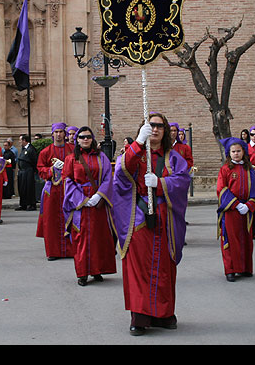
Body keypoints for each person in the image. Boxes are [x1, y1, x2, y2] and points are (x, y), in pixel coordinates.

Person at [111, 113, 190, 336]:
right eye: (151, 126)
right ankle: (140, 317)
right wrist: (137, 143)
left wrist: (162, 182)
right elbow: (120, 173)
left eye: (159, 126)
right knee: (139, 269)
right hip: (138, 218)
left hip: (164, 218)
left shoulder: (173, 158)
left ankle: (163, 315)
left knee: (164, 267)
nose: (155, 129)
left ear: (165, 131)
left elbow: (183, 180)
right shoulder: (137, 154)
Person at [62, 126, 116, 286]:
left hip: (99, 202)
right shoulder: (71, 159)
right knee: (82, 239)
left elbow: (108, 177)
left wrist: (99, 195)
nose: (85, 139)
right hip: (81, 204)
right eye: (82, 137)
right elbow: (68, 180)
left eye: (88, 137)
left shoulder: (102, 157)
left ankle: (97, 270)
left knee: (100, 238)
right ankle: (83, 273)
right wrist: (82, 200)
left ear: (92, 139)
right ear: (77, 140)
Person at [216, 138, 255, 282]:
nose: (236, 154)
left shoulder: (249, 169)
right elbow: (221, 189)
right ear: (229, 153)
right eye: (233, 151)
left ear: (243, 152)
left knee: (246, 239)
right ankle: (230, 270)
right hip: (231, 209)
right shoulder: (225, 169)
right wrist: (236, 204)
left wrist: (249, 205)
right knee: (231, 240)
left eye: (238, 151)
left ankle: (245, 268)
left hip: (246, 211)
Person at [36, 122, 74, 260]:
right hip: (51, 190)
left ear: (65, 133)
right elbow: (40, 169)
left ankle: (71, 250)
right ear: (52, 134)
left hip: (69, 189)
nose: (58, 135)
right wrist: (51, 170)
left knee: (70, 218)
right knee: (51, 221)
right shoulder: (45, 152)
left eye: (61, 132)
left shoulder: (72, 149)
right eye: (56, 132)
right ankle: (53, 251)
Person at [16, 134, 37, 211]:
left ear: (24, 140)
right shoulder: (23, 149)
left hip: (28, 171)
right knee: (22, 188)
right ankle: (23, 204)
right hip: (22, 171)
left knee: (29, 188)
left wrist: (33, 171)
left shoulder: (31, 149)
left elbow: (34, 161)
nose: (19, 142)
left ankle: (31, 204)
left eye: (20, 140)